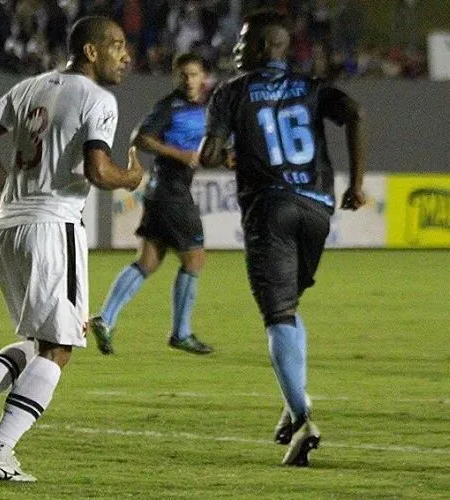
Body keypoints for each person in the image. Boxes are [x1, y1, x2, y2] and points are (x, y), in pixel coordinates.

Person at [0, 15, 142, 482]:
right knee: (60, 346)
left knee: (41, 340)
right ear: (91, 52)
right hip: (54, 226)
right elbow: (99, 171)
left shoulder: (29, 87)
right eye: (116, 45)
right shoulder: (99, 99)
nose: (127, 55)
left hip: (9, 225)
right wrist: (131, 177)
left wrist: (7, 189)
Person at [198, 9, 366, 467]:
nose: (237, 48)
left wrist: (223, 150)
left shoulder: (231, 92)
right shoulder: (311, 87)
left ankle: (303, 417)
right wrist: (356, 183)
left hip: (270, 207)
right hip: (316, 207)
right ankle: (291, 408)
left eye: (245, 41)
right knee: (290, 308)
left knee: (278, 315)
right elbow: (353, 112)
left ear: (265, 46)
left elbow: (208, 155)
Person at [89, 52, 216, 356]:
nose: (188, 80)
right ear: (176, 77)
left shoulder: (202, 109)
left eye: (194, 74)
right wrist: (179, 155)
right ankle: (181, 333)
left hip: (163, 192)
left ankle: (106, 319)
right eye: (183, 74)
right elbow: (140, 138)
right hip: (172, 192)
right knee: (195, 259)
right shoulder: (169, 106)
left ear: (203, 78)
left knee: (148, 261)